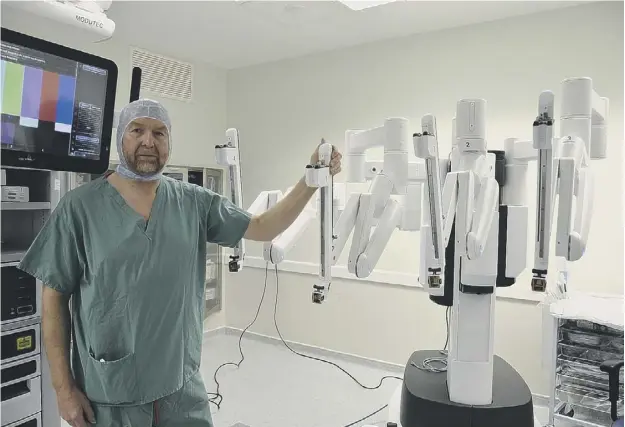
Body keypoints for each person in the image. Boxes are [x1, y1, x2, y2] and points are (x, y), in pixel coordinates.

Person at [18, 99, 342, 427]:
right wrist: (63, 389)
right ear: (121, 138)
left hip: (181, 392)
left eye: (160, 133)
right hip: (110, 394)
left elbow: (262, 226)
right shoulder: (80, 208)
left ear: (169, 143)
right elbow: (53, 299)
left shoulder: (193, 202)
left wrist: (310, 179)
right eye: (137, 130)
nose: (149, 141)